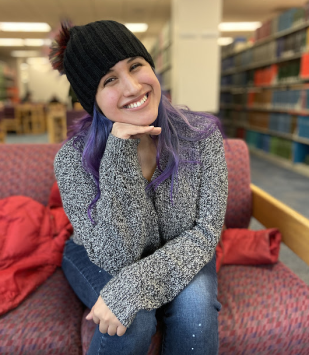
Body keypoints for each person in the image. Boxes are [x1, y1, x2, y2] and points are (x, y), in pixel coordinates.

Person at [49, 20, 228, 355]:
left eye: (135, 66)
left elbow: (206, 232)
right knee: (135, 320)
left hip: (183, 248)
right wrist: (118, 157)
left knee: (196, 313)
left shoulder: (200, 136)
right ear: (94, 100)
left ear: (152, 67)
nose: (132, 87)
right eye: (109, 80)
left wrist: (133, 287)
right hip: (95, 253)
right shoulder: (71, 160)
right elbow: (115, 256)